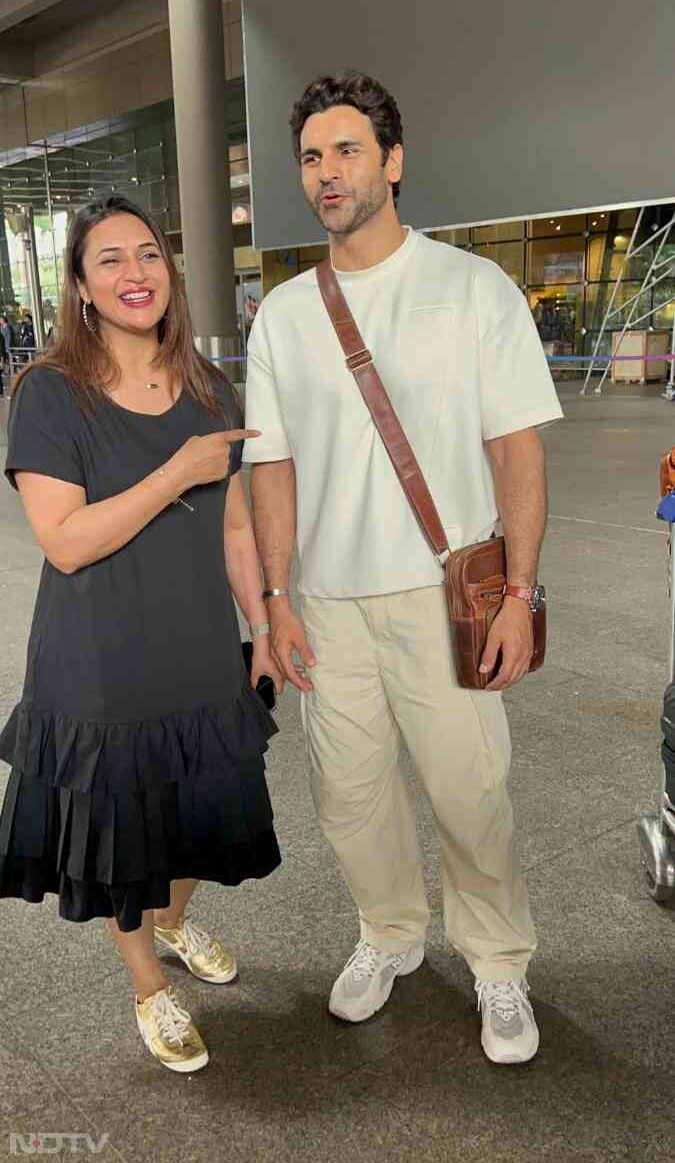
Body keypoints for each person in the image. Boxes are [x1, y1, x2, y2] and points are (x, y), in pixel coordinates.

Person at [244, 71, 563, 1065]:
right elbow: (273, 470)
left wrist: (519, 593)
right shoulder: (285, 316)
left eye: (347, 150)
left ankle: (498, 959)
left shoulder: (473, 289)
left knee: (473, 790)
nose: (328, 172)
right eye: (310, 157)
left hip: (442, 596)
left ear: (393, 161)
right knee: (350, 797)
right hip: (326, 607)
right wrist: (275, 601)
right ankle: (388, 936)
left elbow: (518, 454)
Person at [0, 194, 283, 1073]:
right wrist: (176, 472)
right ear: (80, 287)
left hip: (198, 644)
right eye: (110, 259)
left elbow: (234, 525)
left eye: (149, 255)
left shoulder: (209, 387)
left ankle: (173, 922)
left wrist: (265, 623)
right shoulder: (49, 394)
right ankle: (147, 989)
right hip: (100, 657)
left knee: (196, 811)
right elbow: (66, 541)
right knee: (123, 833)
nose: (135, 273)